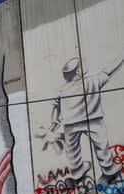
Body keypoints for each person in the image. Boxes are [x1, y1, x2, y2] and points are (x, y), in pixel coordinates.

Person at [50, 51, 124, 185]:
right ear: (79, 72)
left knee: (72, 149)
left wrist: (54, 120)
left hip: (70, 123)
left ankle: (78, 171)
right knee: (100, 143)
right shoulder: (92, 81)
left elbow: (56, 105)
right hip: (93, 119)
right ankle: (108, 167)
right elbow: (109, 70)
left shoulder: (62, 89)